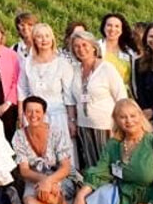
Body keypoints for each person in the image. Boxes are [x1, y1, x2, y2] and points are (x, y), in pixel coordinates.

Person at [13, 95, 81, 204]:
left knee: (44, 192)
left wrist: (49, 181)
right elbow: (25, 171)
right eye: (29, 111)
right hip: (34, 177)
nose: (33, 115)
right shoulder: (19, 136)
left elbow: (65, 167)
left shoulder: (56, 132)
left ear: (44, 113)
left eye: (37, 111)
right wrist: (44, 181)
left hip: (58, 176)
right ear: (24, 113)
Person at [65, 29, 127, 170]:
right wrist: (72, 121)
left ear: (93, 47)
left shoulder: (106, 68)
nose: (81, 49)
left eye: (84, 45)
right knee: (91, 165)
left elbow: (121, 97)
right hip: (84, 125)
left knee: (110, 164)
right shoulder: (74, 70)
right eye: (77, 46)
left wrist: (119, 125)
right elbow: (70, 99)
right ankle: (96, 191)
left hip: (106, 125)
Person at [18, 23, 75, 143]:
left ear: (52, 38)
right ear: (34, 39)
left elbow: (69, 95)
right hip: (34, 117)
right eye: (39, 36)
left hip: (58, 117)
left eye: (47, 36)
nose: (44, 40)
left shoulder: (62, 63)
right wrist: (21, 117)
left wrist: (71, 120)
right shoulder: (27, 63)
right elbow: (22, 91)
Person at [98, 13, 138, 90]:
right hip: (102, 93)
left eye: (117, 26)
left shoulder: (130, 51)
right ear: (103, 27)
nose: (112, 29)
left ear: (122, 30)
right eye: (109, 25)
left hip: (124, 94)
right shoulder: (96, 48)